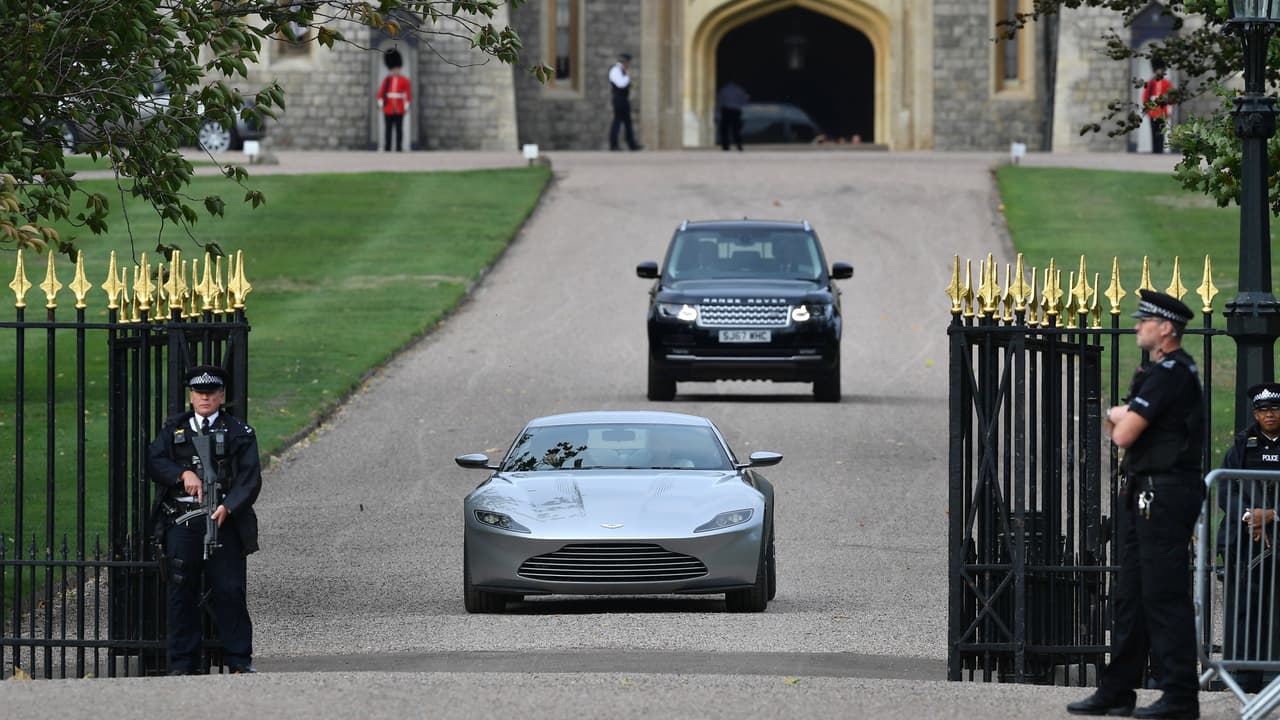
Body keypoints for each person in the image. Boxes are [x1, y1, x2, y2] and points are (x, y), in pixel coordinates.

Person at [1068, 289, 1203, 719]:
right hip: (1144, 489)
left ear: (1166, 328)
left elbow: (1123, 434)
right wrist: (1120, 414)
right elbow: (1122, 423)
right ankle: (1118, 690)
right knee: (1131, 595)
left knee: (1163, 595)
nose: (1138, 325)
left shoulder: (1172, 373)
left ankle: (1180, 696)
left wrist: (1118, 414)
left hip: (1165, 492)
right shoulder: (1156, 371)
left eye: (1146, 321)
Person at [148, 365, 263, 675]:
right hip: (184, 519)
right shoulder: (175, 430)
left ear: (221, 395)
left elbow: (250, 479)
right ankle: (182, 664)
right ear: (191, 396)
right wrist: (181, 474)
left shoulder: (239, 431)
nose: (205, 398)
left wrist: (229, 507)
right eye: (200, 393)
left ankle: (239, 660)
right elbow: (154, 460)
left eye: (211, 393)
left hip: (223, 519)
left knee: (229, 590)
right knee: (181, 592)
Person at [1217, 382, 1280, 694]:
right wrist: (1250, 517)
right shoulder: (1243, 445)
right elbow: (1226, 488)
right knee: (1248, 610)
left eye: (1275, 409)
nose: (1270, 415)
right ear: (1256, 413)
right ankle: (1246, 683)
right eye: (1264, 410)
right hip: (1248, 543)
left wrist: (1270, 515)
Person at [377, 48, 411, 152]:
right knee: (388, 129)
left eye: (397, 68)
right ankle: (387, 147)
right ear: (391, 68)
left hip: (399, 107)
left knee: (399, 129)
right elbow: (381, 93)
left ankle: (398, 147)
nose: (396, 70)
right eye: (394, 69)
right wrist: (380, 104)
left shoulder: (404, 80)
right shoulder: (386, 80)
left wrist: (406, 106)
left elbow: (408, 94)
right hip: (388, 107)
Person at [608, 53, 642, 151]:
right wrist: (627, 76)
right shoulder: (615, 70)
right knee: (617, 121)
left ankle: (632, 144)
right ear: (625, 62)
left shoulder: (622, 70)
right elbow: (620, 84)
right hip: (618, 99)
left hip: (623, 99)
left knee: (628, 122)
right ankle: (613, 145)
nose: (629, 65)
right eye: (628, 62)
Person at [1142, 60, 1173, 154]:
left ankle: (1160, 149)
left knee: (1161, 131)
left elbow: (1171, 97)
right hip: (1153, 110)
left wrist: (1169, 108)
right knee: (1154, 131)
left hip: (1162, 111)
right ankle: (1155, 149)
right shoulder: (1151, 83)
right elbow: (1145, 96)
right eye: (1158, 70)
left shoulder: (1167, 83)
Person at [716, 79, 749, 151]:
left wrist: (718, 111)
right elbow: (744, 99)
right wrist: (740, 107)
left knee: (725, 130)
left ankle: (725, 146)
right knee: (736, 130)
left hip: (726, 110)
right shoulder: (739, 89)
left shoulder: (724, 89)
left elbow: (720, 100)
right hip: (736, 111)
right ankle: (739, 145)